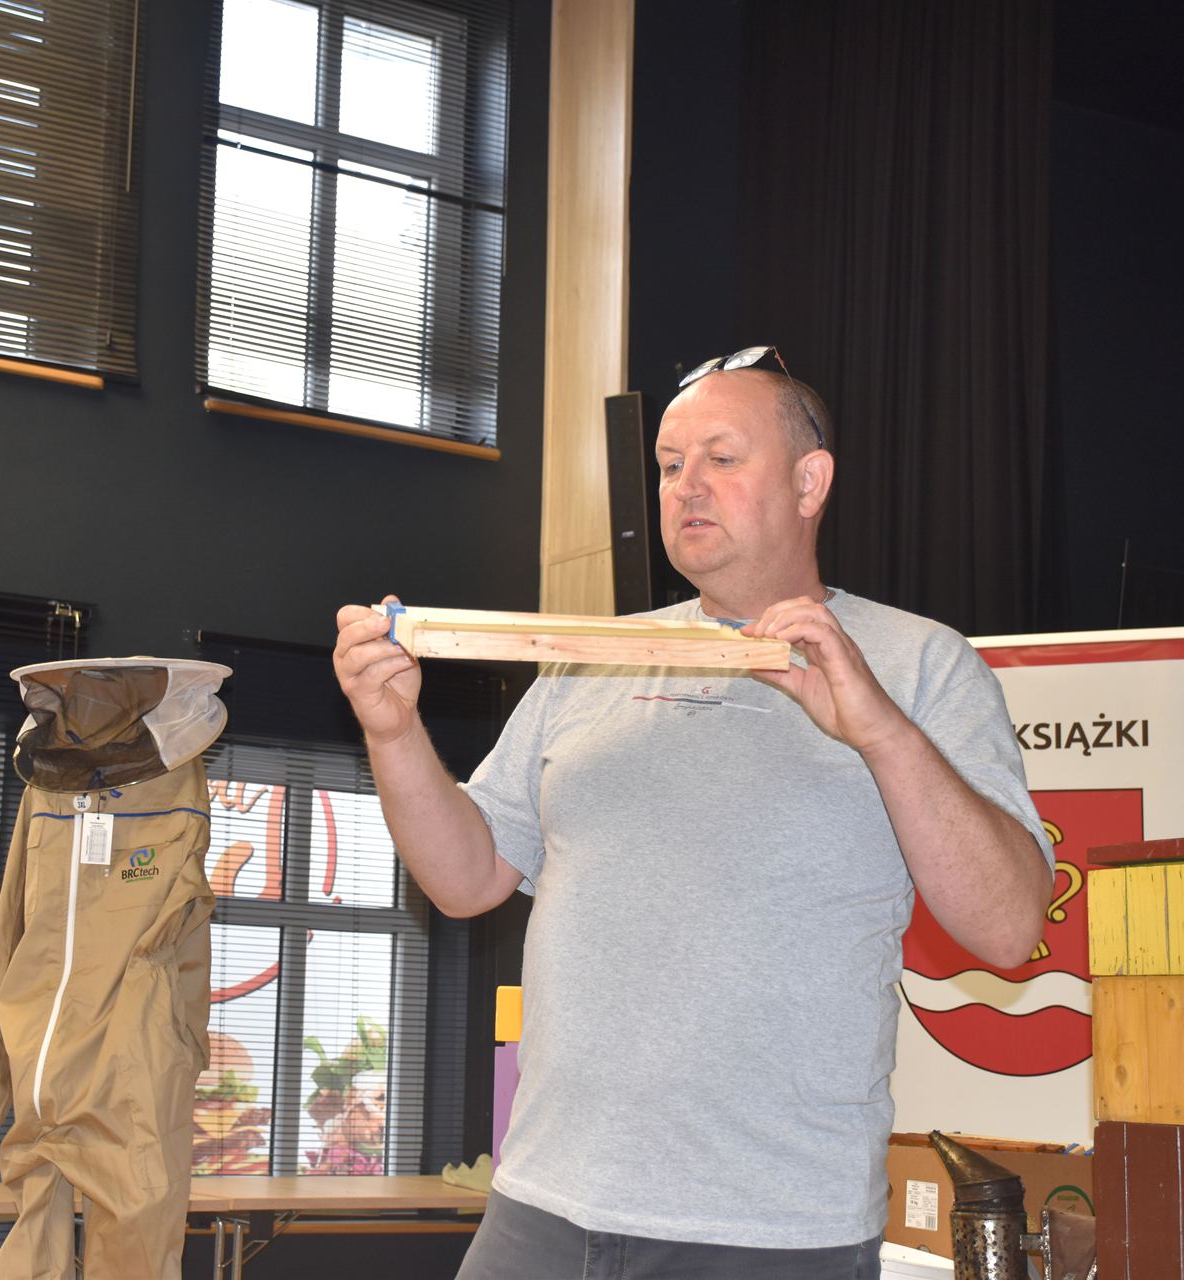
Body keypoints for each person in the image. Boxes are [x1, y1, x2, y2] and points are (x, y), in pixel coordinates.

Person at [332, 349, 1054, 1279]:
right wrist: (392, 732)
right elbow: (466, 880)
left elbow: (1007, 927)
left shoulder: (920, 663)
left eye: (722, 457)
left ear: (810, 481)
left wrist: (877, 729)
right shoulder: (589, 658)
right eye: (671, 465)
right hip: (542, 1206)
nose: (686, 486)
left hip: (770, 1233)